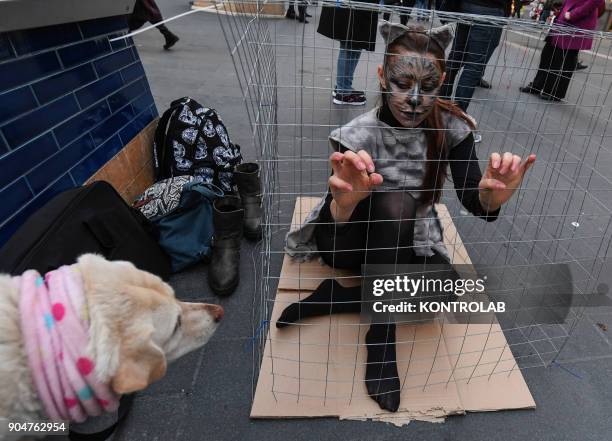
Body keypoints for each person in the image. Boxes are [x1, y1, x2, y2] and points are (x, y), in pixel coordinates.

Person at [281, 22, 535, 412]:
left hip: (405, 243)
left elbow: (474, 200)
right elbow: (335, 218)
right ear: (382, 76)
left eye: (428, 87)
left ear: (443, 81)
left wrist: (491, 197)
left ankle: (341, 297)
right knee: (394, 201)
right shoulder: (356, 134)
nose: (415, 100)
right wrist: (348, 202)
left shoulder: (452, 127)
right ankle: (380, 339)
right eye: (402, 83)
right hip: (348, 240)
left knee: (447, 290)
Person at [520, 0, 604, 101]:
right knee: (548, 54)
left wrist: (573, 14)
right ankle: (537, 86)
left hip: (576, 22)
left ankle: (555, 92)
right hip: (563, 19)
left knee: (564, 59)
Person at [317, 0, 379, 105]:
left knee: (354, 44)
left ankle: (343, 87)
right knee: (351, 45)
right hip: (354, 6)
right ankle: (343, 93)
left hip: (354, 6)